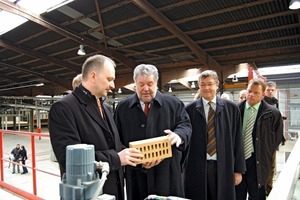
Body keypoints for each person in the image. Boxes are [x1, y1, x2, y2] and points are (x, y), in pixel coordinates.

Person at [49, 54, 143, 200]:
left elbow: (114, 146)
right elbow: (69, 159)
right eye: (109, 79)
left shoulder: (107, 109)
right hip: (88, 194)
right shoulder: (63, 108)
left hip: (114, 191)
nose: (113, 85)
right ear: (93, 76)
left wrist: (137, 157)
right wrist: (116, 159)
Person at [114, 64, 192, 200]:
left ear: (156, 83)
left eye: (150, 84)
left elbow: (185, 125)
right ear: (135, 85)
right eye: (141, 84)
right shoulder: (123, 108)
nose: (146, 89)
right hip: (136, 174)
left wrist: (178, 135)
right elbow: (116, 138)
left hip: (167, 173)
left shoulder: (174, 103)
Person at [184, 70, 245, 200]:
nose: (206, 88)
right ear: (199, 86)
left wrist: (238, 170)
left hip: (224, 166)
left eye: (210, 84)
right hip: (197, 167)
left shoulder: (232, 109)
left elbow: (238, 140)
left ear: (217, 85)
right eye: (203, 84)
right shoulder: (189, 110)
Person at [235, 78, 283, 200]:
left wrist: (265, 152)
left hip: (259, 161)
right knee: (237, 194)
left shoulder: (273, 113)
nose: (251, 94)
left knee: (257, 195)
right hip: (238, 161)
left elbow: (276, 138)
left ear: (263, 95)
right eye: (249, 91)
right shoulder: (235, 110)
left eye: (256, 92)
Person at [264, 81, 285, 195]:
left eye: (272, 90)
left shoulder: (276, 103)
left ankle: (269, 187)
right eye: (268, 90)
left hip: (273, 138)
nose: (270, 92)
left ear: (275, 90)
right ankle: (263, 187)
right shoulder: (262, 103)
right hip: (263, 138)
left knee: (272, 165)